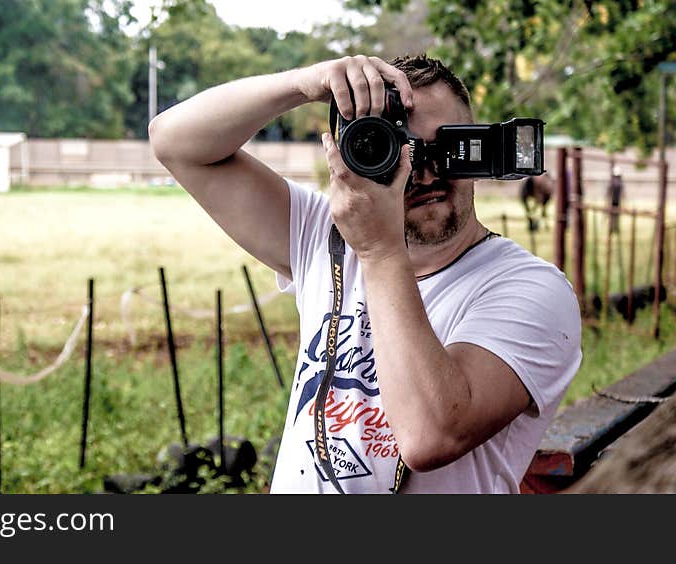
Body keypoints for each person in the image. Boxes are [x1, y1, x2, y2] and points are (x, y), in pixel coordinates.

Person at [148, 54, 582, 494]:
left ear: (477, 147)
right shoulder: (325, 238)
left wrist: (379, 249)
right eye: (397, 150)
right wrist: (305, 82)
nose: (425, 171)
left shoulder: (532, 289)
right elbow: (174, 141)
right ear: (353, 153)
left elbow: (431, 436)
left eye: (445, 147)